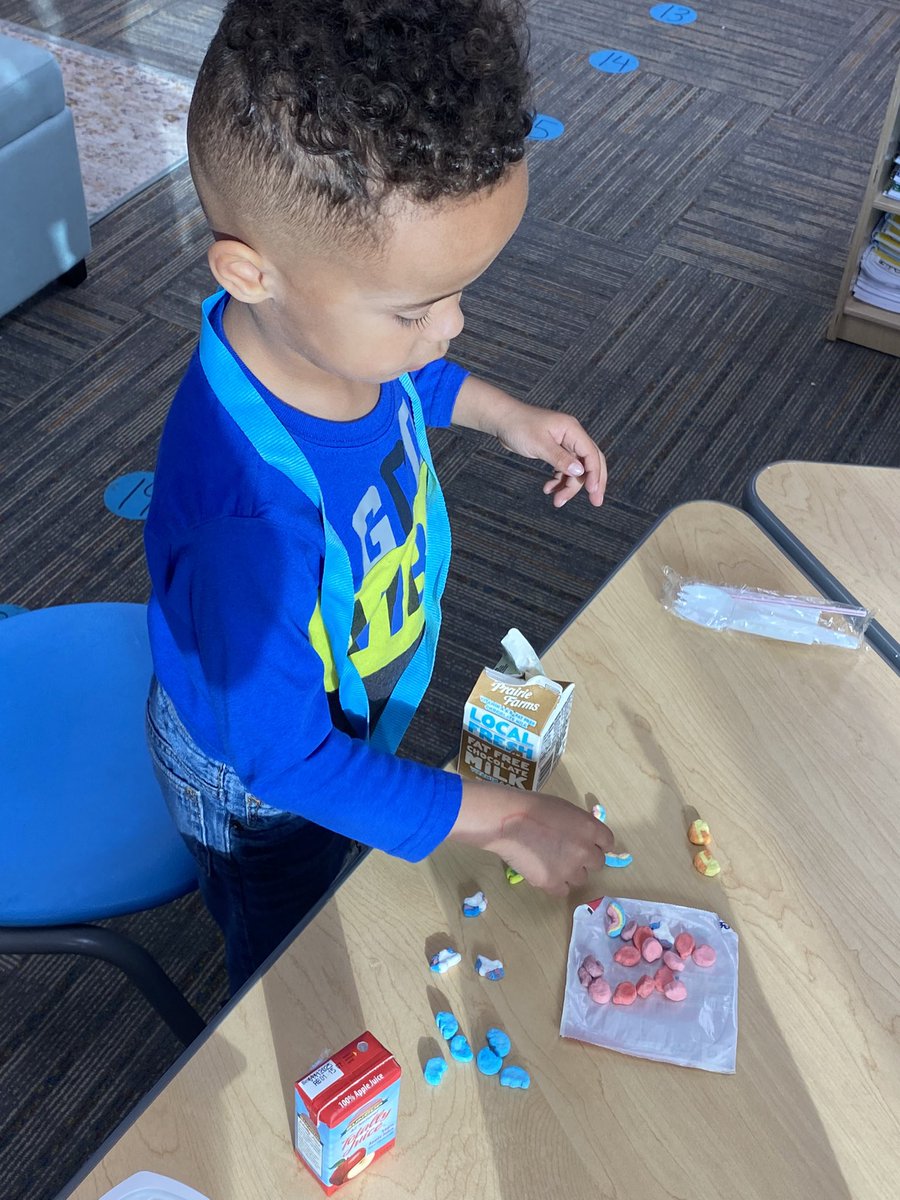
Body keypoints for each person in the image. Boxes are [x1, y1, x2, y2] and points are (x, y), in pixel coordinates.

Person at [144, 0, 614, 994]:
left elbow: (405, 380)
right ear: (249, 271)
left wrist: (501, 414)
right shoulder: (251, 532)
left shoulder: (322, 332)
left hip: (324, 697)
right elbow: (289, 762)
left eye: (456, 292)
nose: (450, 327)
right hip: (260, 782)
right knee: (290, 954)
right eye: (417, 307)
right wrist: (506, 816)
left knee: (342, 867)